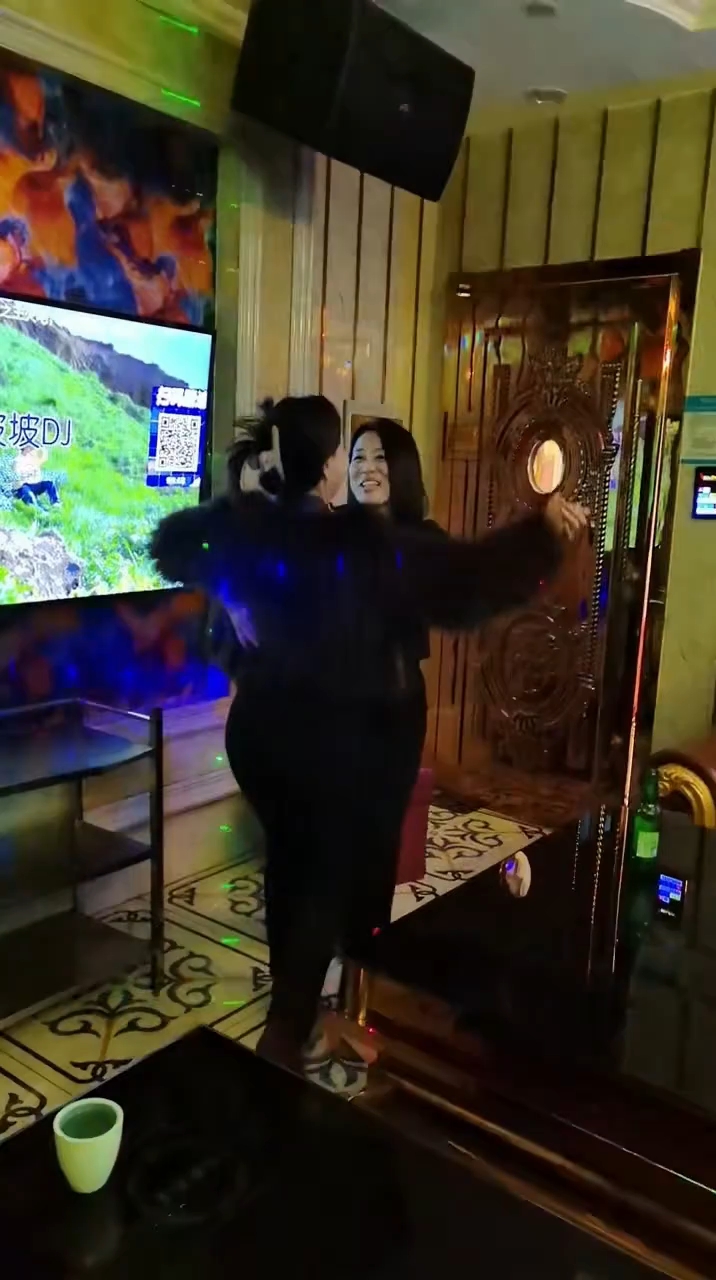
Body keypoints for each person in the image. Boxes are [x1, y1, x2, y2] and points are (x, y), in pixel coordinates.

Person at [151, 395, 588, 1072]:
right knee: (326, 881)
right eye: (350, 453)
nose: (360, 466)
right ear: (330, 467)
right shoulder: (357, 546)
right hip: (331, 744)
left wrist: (232, 585)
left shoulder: (257, 526)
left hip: (265, 737)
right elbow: (472, 583)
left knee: (296, 870)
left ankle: (312, 1016)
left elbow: (174, 543)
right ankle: (292, 1029)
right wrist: (543, 536)